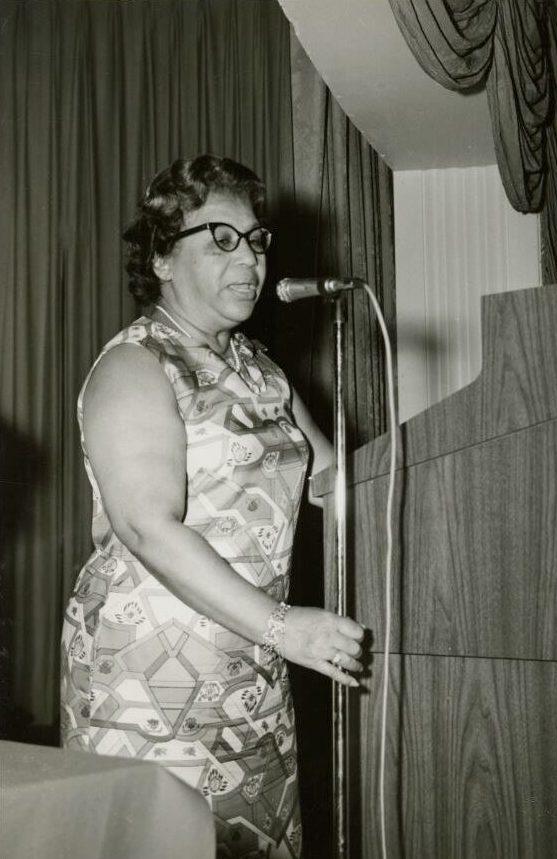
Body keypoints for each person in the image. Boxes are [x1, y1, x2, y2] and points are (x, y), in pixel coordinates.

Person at [60, 154, 365, 858]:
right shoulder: (134, 364)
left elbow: (330, 480)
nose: (249, 257)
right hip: (152, 685)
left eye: (255, 239)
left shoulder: (260, 369)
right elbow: (145, 523)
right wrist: (284, 628)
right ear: (163, 257)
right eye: (220, 238)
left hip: (252, 667)